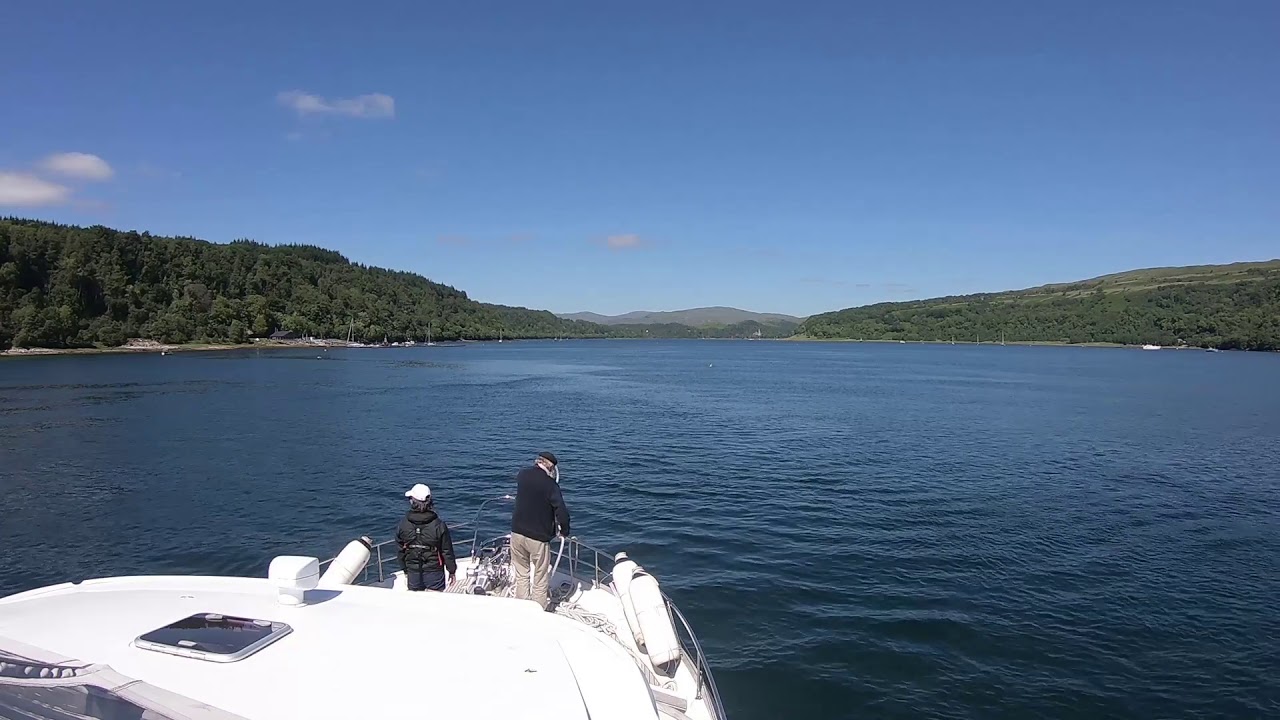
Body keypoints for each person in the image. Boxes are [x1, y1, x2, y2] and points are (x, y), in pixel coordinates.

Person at [510, 451, 570, 610]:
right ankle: (537, 610)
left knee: (521, 574)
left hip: (516, 533)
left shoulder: (522, 475)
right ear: (551, 468)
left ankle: (521, 606)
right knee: (540, 577)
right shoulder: (550, 485)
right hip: (538, 538)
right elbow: (561, 511)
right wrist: (564, 530)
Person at [396, 483, 456, 592]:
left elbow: (401, 551)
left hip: (413, 572)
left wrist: (405, 569)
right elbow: (447, 551)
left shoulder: (403, 524)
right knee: (434, 603)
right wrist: (452, 571)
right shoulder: (439, 525)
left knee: (416, 604)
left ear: (412, 502)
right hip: (434, 572)